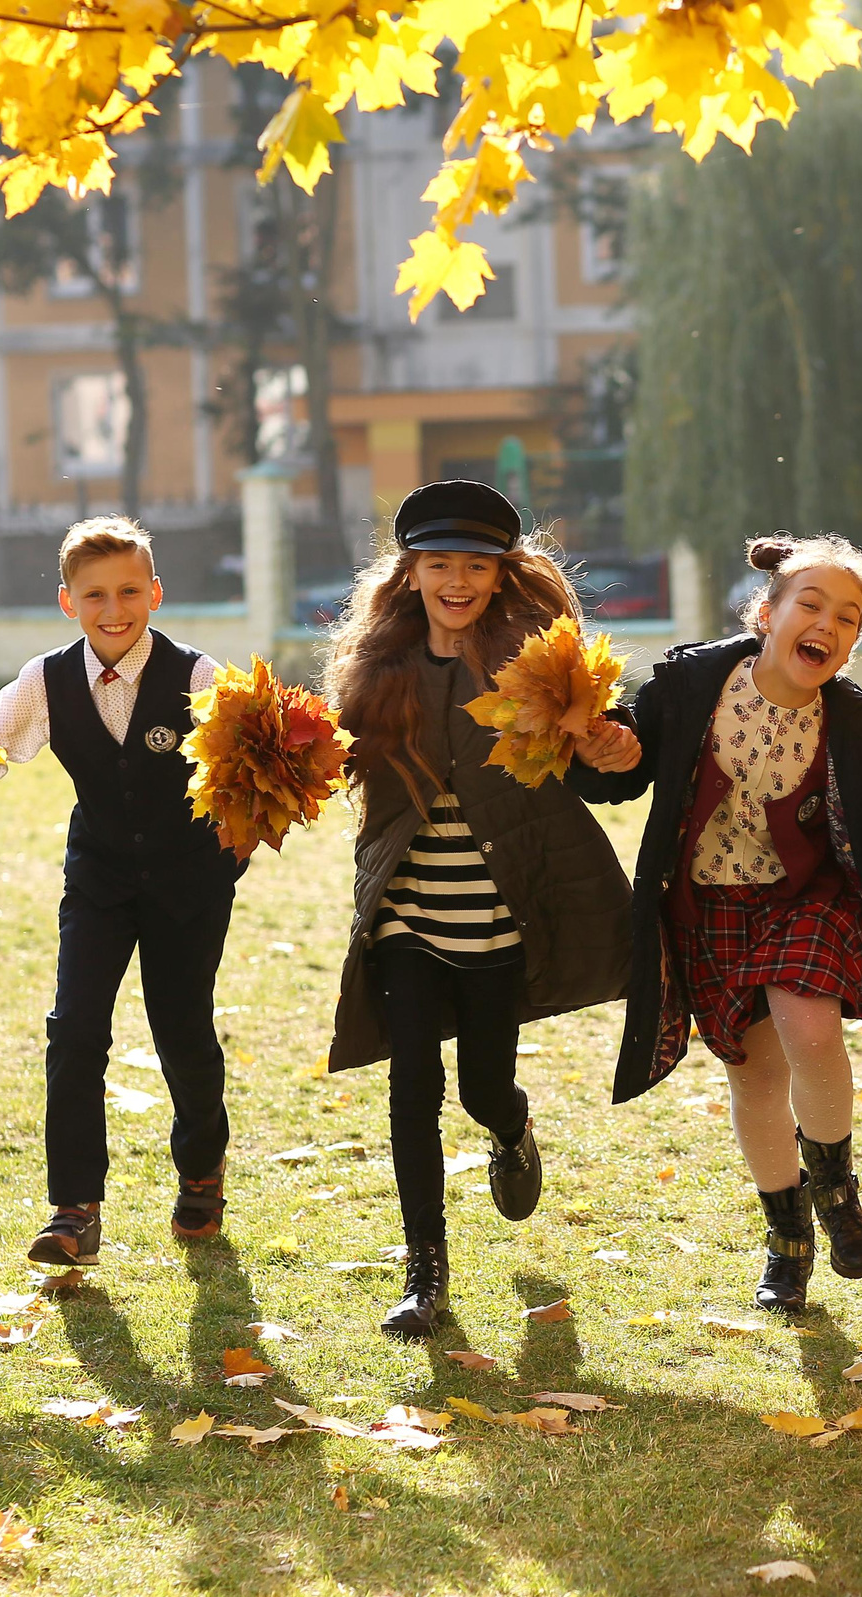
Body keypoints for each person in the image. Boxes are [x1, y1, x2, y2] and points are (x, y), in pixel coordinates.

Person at [574, 534, 862, 1313]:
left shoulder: (857, 723)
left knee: (811, 1027)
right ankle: (788, 1238)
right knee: (756, 1077)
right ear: (766, 613)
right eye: (811, 604)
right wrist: (609, 750)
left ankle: (835, 1186)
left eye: (848, 617)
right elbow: (627, 775)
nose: (829, 624)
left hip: (808, 899)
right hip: (707, 906)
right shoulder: (691, 682)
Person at [321, 480, 634, 1340]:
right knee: (411, 1084)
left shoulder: (535, 670)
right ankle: (425, 1270)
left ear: (500, 575)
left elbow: (602, 755)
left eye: (475, 566)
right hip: (408, 919)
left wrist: (612, 746)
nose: (456, 580)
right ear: (409, 574)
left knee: (482, 1085)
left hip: (500, 922)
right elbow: (327, 756)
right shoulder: (377, 669)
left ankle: (513, 1124)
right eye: (437, 565)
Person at [0, 515, 245, 1268]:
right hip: (97, 877)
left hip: (188, 881)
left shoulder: (198, 678)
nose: (113, 607)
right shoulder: (45, 680)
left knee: (182, 1029)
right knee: (74, 1030)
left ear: (155, 592)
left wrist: (240, 837)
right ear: (68, 601)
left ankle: (201, 1169)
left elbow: (252, 767)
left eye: (129, 589)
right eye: (94, 593)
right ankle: (74, 1209)